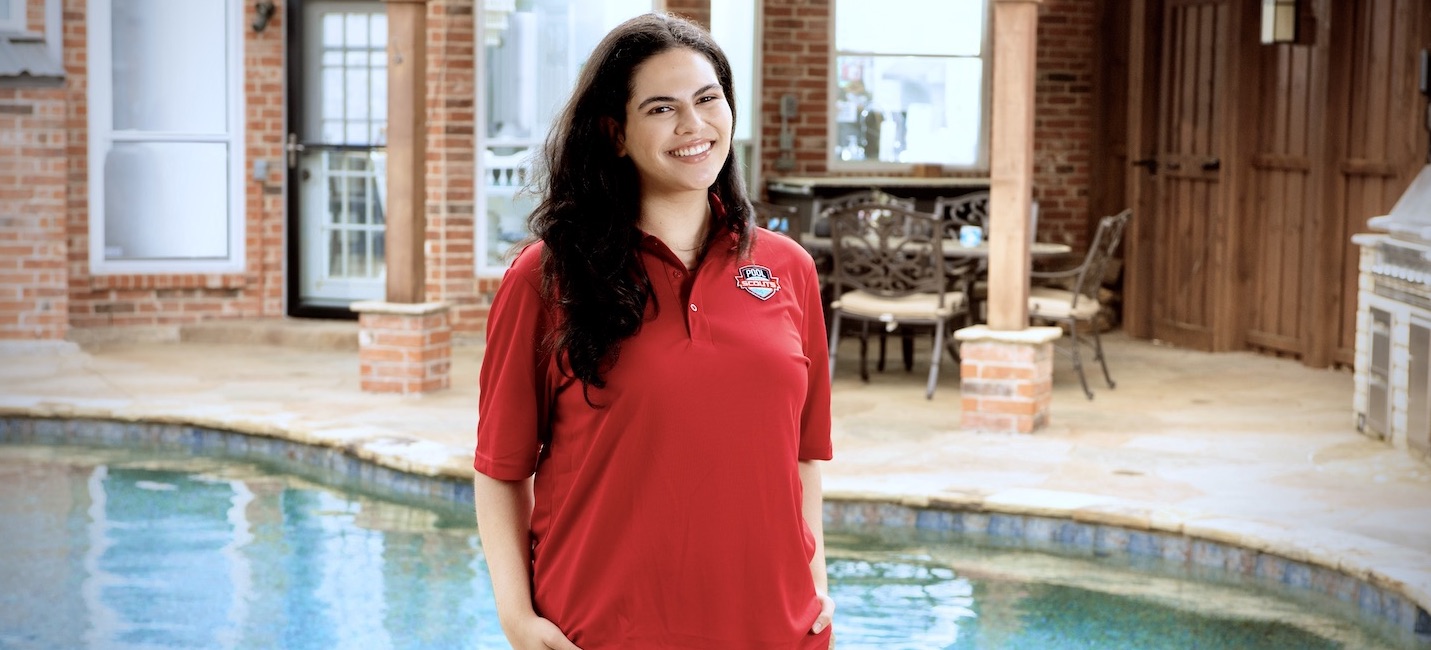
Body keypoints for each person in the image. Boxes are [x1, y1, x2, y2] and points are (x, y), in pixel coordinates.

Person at [472, 12, 835, 650]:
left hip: (775, 631)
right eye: (662, 108)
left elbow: (801, 456)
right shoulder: (545, 277)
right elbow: (501, 468)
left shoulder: (788, 270)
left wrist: (814, 583)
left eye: (708, 99)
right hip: (605, 633)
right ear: (615, 133)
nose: (694, 126)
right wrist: (517, 619)